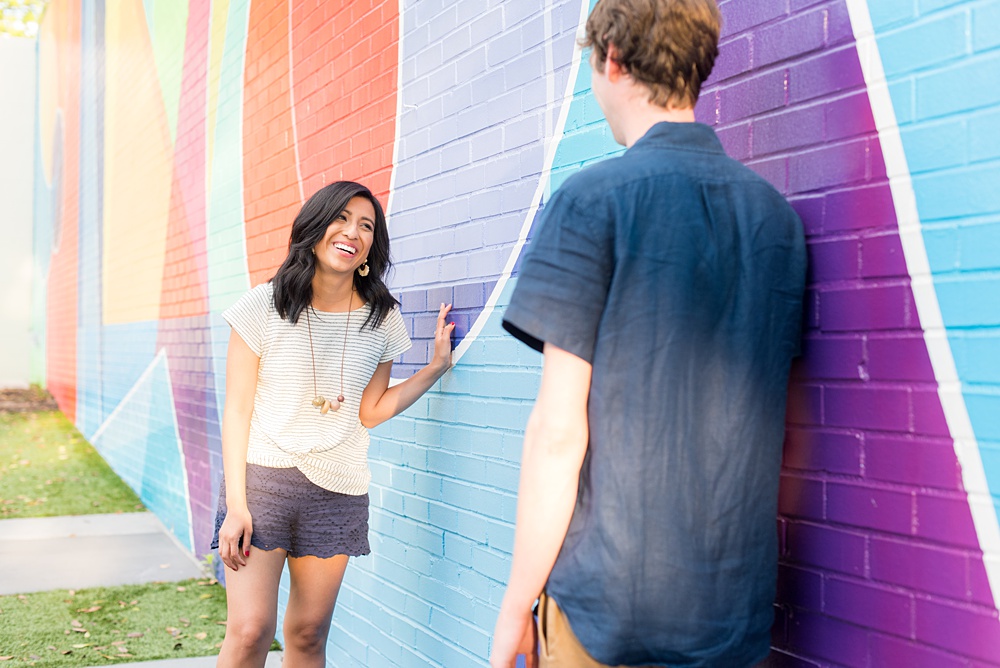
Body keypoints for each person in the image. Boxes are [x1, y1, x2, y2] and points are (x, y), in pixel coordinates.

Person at [490, 0, 807, 666]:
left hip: (605, 607)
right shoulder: (775, 220)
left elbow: (558, 433)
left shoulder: (591, 200)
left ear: (612, 59)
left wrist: (517, 602)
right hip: (733, 613)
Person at [212, 180, 454, 668]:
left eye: (366, 226)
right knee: (249, 631)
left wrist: (432, 370)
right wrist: (236, 506)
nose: (353, 232)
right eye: (341, 218)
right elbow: (237, 409)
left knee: (307, 634)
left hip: (337, 490)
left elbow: (370, 411)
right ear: (316, 227)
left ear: (371, 247)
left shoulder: (382, 319)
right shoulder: (264, 304)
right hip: (263, 484)